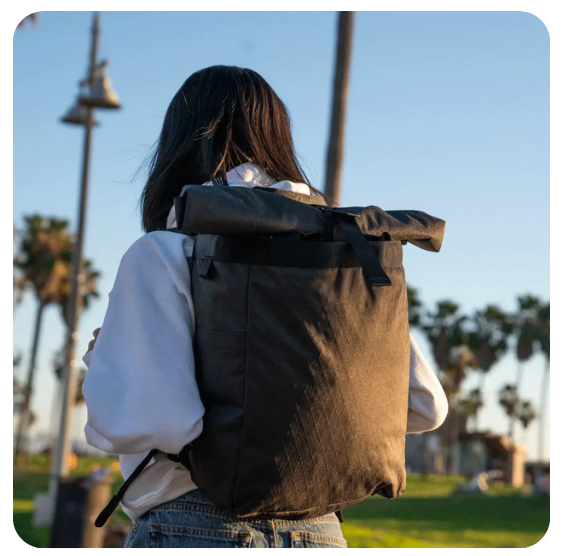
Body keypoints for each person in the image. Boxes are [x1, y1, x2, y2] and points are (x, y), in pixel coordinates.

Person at [82, 65, 448, 550]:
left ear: (179, 145)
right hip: (321, 533)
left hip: (193, 526)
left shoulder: (165, 251)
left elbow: (158, 422)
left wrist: (107, 362)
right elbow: (426, 406)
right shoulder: (344, 258)